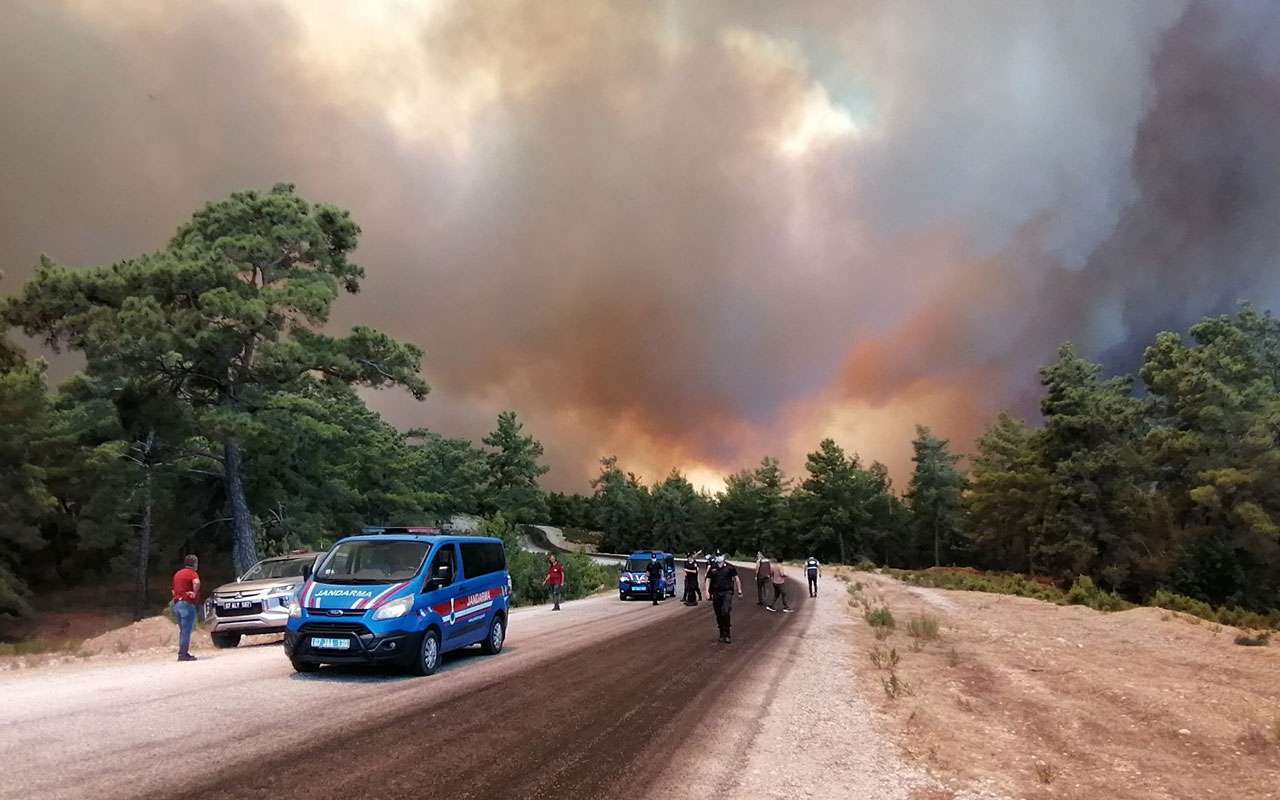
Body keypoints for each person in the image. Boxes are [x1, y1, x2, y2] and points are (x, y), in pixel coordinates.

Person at [704, 554, 742, 643]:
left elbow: (737, 578)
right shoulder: (713, 567)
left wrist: (739, 590)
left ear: (724, 557)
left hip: (727, 592)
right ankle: (721, 632)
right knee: (718, 613)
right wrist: (707, 592)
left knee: (725, 611)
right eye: (717, 556)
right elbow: (708, 579)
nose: (718, 557)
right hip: (716, 593)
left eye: (720, 555)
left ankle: (727, 633)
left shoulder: (730, 567)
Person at [171, 554, 201, 662]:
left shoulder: (177, 574)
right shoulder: (192, 573)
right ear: (194, 564)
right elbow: (196, 582)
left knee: (182, 630)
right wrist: (194, 592)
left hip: (177, 604)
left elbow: (173, 590)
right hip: (187, 604)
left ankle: (182, 652)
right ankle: (183, 654)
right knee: (186, 630)